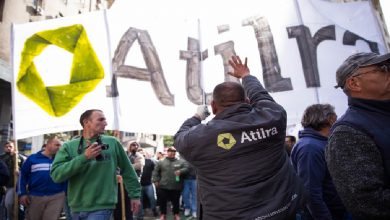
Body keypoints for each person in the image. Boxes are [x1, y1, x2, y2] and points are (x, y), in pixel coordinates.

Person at [174, 55, 306, 219]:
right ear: (247, 101)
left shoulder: (201, 138)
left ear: (214, 107)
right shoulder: (273, 117)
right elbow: (261, 96)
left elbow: (179, 138)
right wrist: (246, 75)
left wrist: (196, 117)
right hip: (282, 210)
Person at [325, 52, 390, 219]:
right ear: (354, 83)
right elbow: (367, 203)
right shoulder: (346, 133)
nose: (388, 71)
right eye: (383, 68)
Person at [50, 109, 141, 220]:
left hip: (102, 207)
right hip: (75, 207)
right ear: (86, 122)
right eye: (101, 119)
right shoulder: (68, 146)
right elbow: (56, 175)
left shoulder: (113, 142)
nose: (106, 123)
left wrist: (135, 195)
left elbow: (127, 170)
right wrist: (84, 158)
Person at [290, 104, 347, 219]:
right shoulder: (310, 148)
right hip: (330, 213)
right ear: (330, 119)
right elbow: (311, 192)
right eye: (336, 116)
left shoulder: (316, 143)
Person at [18, 136, 67, 220]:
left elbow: (65, 176)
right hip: (35, 196)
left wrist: (65, 192)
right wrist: (22, 194)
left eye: (60, 145)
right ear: (48, 145)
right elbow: (22, 177)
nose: (60, 147)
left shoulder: (61, 160)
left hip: (57, 196)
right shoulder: (32, 159)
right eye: (57, 145)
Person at [152, 147, 188, 220]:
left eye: (174, 151)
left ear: (175, 153)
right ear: (167, 152)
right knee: (163, 202)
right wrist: (155, 180)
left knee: (176, 202)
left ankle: (176, 215)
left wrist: (181, 171)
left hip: (176, 186)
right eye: (170, 151)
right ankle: (163, 215)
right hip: (163, 186)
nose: (172, 153)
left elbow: (186, 168)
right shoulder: (161, 161)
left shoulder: (181, 161)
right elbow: (155, 172)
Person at [0, 140, 26, 220]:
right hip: (3, 186)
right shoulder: (1, 158)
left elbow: (26, 170)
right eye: (7, 147)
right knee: (3, 205)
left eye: (10, 146)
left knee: (9, 203)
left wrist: (20, 172)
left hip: (14, 185)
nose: (8, 148)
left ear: (14, 147)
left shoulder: (21, 158)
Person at [137, 148, 158, 219]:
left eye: (142, 152)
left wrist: (154, 179)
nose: (141, 153)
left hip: (149, 184)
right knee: (140, 201)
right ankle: (140, 216)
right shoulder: (135, 162)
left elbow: (156, 170)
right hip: (139, 185)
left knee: (153, 199)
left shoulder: (150, 161)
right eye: (139, 152)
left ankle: (154, 210)